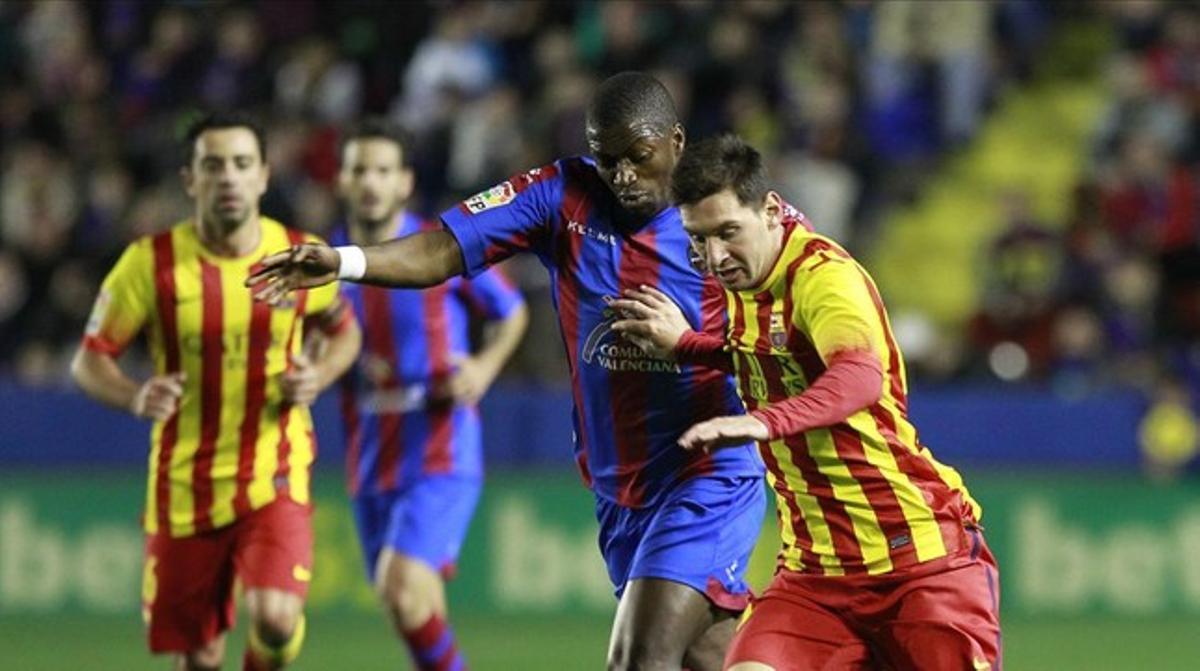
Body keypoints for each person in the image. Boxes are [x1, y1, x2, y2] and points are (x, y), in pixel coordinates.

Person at [247, 72, 786, 670]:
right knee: (709, 659)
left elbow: (801, 303)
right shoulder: (561, 195)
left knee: (637, 660)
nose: (624, 176)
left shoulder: (721, 213)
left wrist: (689, 345)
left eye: (639, 156)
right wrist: (345, 262)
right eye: (608, 160)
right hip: (620, 485)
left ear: (676, 142)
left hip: (707, 469)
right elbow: (443, 249)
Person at [610, 134, 1002, 671]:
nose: (715, 257)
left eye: (728, 233)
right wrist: (687, 345)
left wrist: (762, 424)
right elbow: (770, 353)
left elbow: (861, 375)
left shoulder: (825, 280)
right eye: (698, 240)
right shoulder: (744, 282)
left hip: (919, 562)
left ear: (770, 210)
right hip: (815, 577)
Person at [71, 111, 361, 671]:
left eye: (241, 164)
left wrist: (318, 376)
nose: (228, 177)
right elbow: (89, 362)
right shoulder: (149, 264)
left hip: (274, 470)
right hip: (185, 482)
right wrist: (134, 395)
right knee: (200, 656)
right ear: (189, 179)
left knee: (276, 619)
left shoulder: (299, 254)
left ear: (264, 176)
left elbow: (345, 331)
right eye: (213, 165)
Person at [333, 118, 528, 670]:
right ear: (341, 181)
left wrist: (483, 369)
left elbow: (512, 312)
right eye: (358, 169)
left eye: (382, 170)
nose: (370, 181)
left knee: (402, 587)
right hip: (370, 451)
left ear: (404, 182)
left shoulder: (439, 250)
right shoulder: (327, 262)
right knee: (410, 605)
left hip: (441, 442)